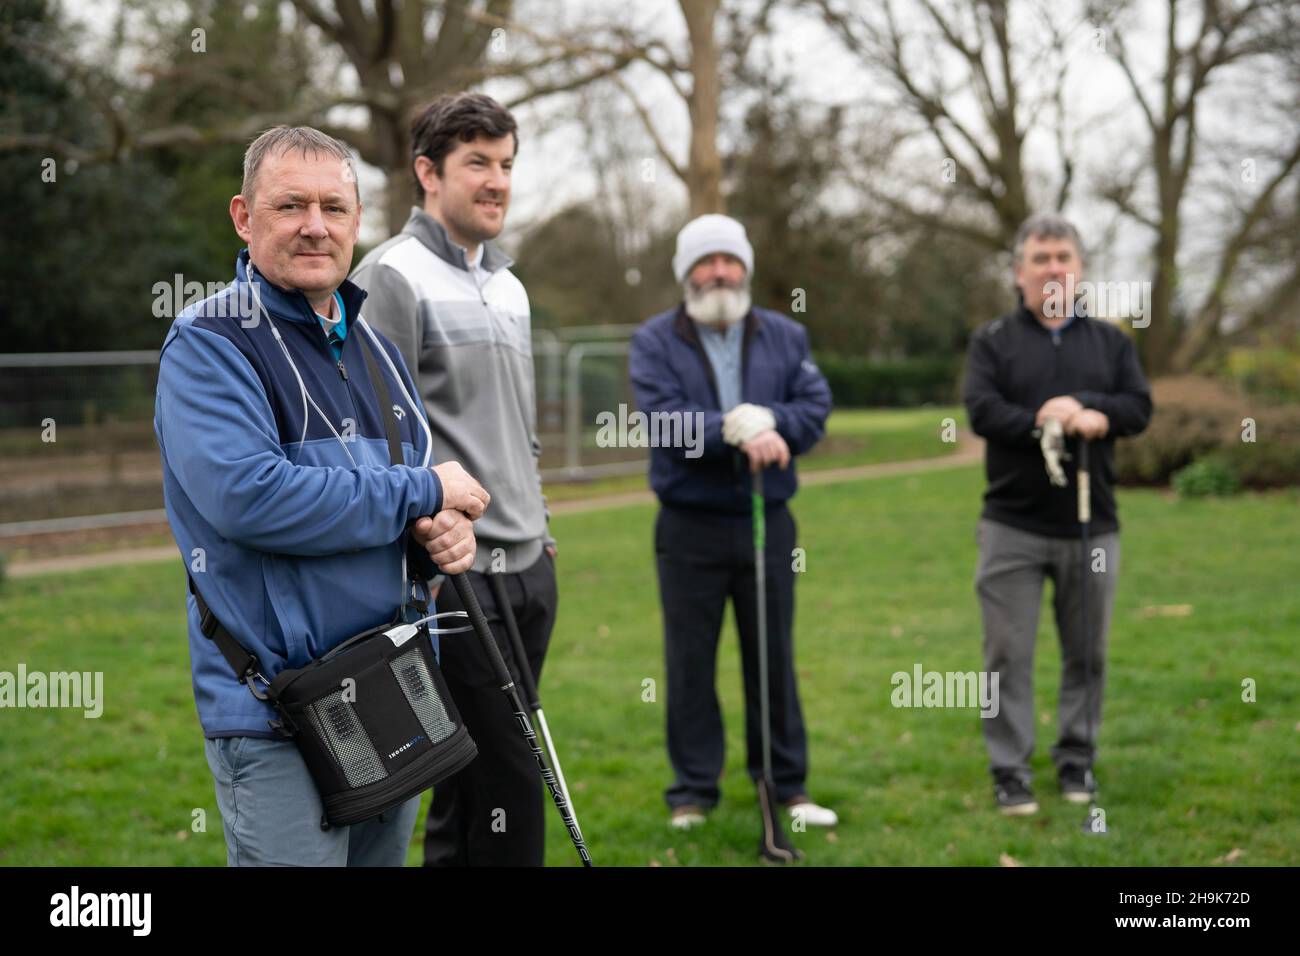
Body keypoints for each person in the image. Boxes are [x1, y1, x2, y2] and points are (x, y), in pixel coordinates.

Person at [155, 125, 490, 866]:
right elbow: (252, 498)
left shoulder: (382, 354)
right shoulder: (209, 342)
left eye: (335, 208)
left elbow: (412, 517)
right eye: (291, 206)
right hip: (278, 708)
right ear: (244, 217)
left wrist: (442, 539)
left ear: (357, 219)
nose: (316, 226)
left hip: (391, 688)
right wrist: (423, 488)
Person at [351, 92, 557, 867]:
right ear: (427, 172)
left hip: (532, 568)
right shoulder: (391, 277)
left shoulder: (511, 286)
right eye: (478, 162)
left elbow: (520, 428)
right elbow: (376, 437)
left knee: (465, 778)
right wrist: (422, 554)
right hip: (460, 579)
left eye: (506, 164)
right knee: (512, 771)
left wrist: (547, 532)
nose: (497, 180)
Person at [629, 213, 837, 831]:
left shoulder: (784, 336)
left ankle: (787, 787)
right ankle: (693, 792)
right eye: (706, 261)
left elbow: (814, 408)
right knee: (690, 660)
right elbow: (663, 422)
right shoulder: (654, 341)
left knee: (772, 654)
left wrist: (767, 420)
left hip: (767, 522)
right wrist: (729, 430)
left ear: (744, 267)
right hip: (688, 526)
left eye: (729, 260)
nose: (719, 271)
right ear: (686, 272)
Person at [962, 213, 1152, 816]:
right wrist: (1045, 420)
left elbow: (1138, 407)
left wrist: (1092, 409)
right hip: (1011, 527)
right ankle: (1009, 770)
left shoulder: (1111, 342)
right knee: (1006, 656)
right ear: (1019, 273)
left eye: (1062, 258)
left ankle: (1077, 759)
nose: (1052, 269)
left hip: (1092, 526)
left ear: (1080, 269)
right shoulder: (992, 340)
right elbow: (982, 411)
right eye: (1039, 259)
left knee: (1088, 652)